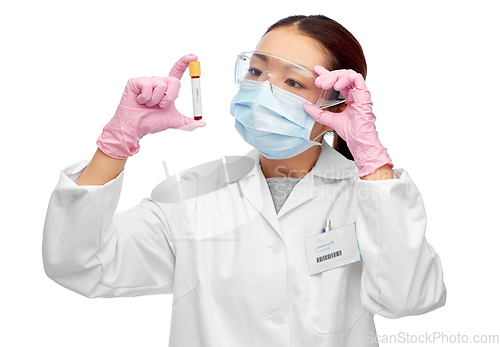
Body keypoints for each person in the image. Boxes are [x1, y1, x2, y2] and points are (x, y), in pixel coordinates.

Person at [42, 14, 446, 347]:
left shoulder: (371, 195)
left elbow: (408, 299)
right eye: (256, 71)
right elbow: (80, 263)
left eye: (292, 82)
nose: (263, 91)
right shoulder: (194, 193)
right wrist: (115, 143)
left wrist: (372, 158)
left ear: (335, 101)